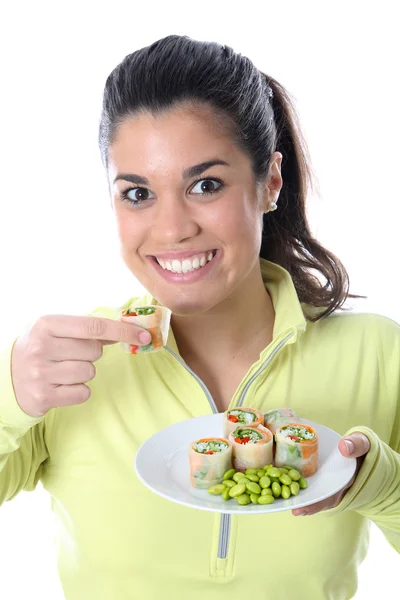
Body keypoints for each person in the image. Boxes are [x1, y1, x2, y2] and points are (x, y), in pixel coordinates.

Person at [1, 34, 399, 600]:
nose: (170, 230)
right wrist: (7, 393)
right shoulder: (66, 368)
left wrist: (381, 485)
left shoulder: (379, 353)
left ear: (271, 183)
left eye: (205, 185)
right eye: (137, 194)